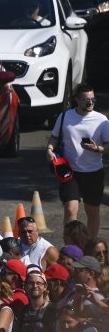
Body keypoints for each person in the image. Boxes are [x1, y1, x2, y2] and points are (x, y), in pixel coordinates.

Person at [46, 83, 109, 239]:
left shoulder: (101, 120)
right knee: (70, 209)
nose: (90, 103)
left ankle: (90, 245)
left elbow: (108, 145)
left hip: (93, 172)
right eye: (86, 100)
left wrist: (98, 149)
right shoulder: (65, 116)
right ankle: (71, 246)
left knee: (92, 211)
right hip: (69, 171)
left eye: (93, 99)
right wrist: (49, 149)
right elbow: (54, 137)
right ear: (77, 100)